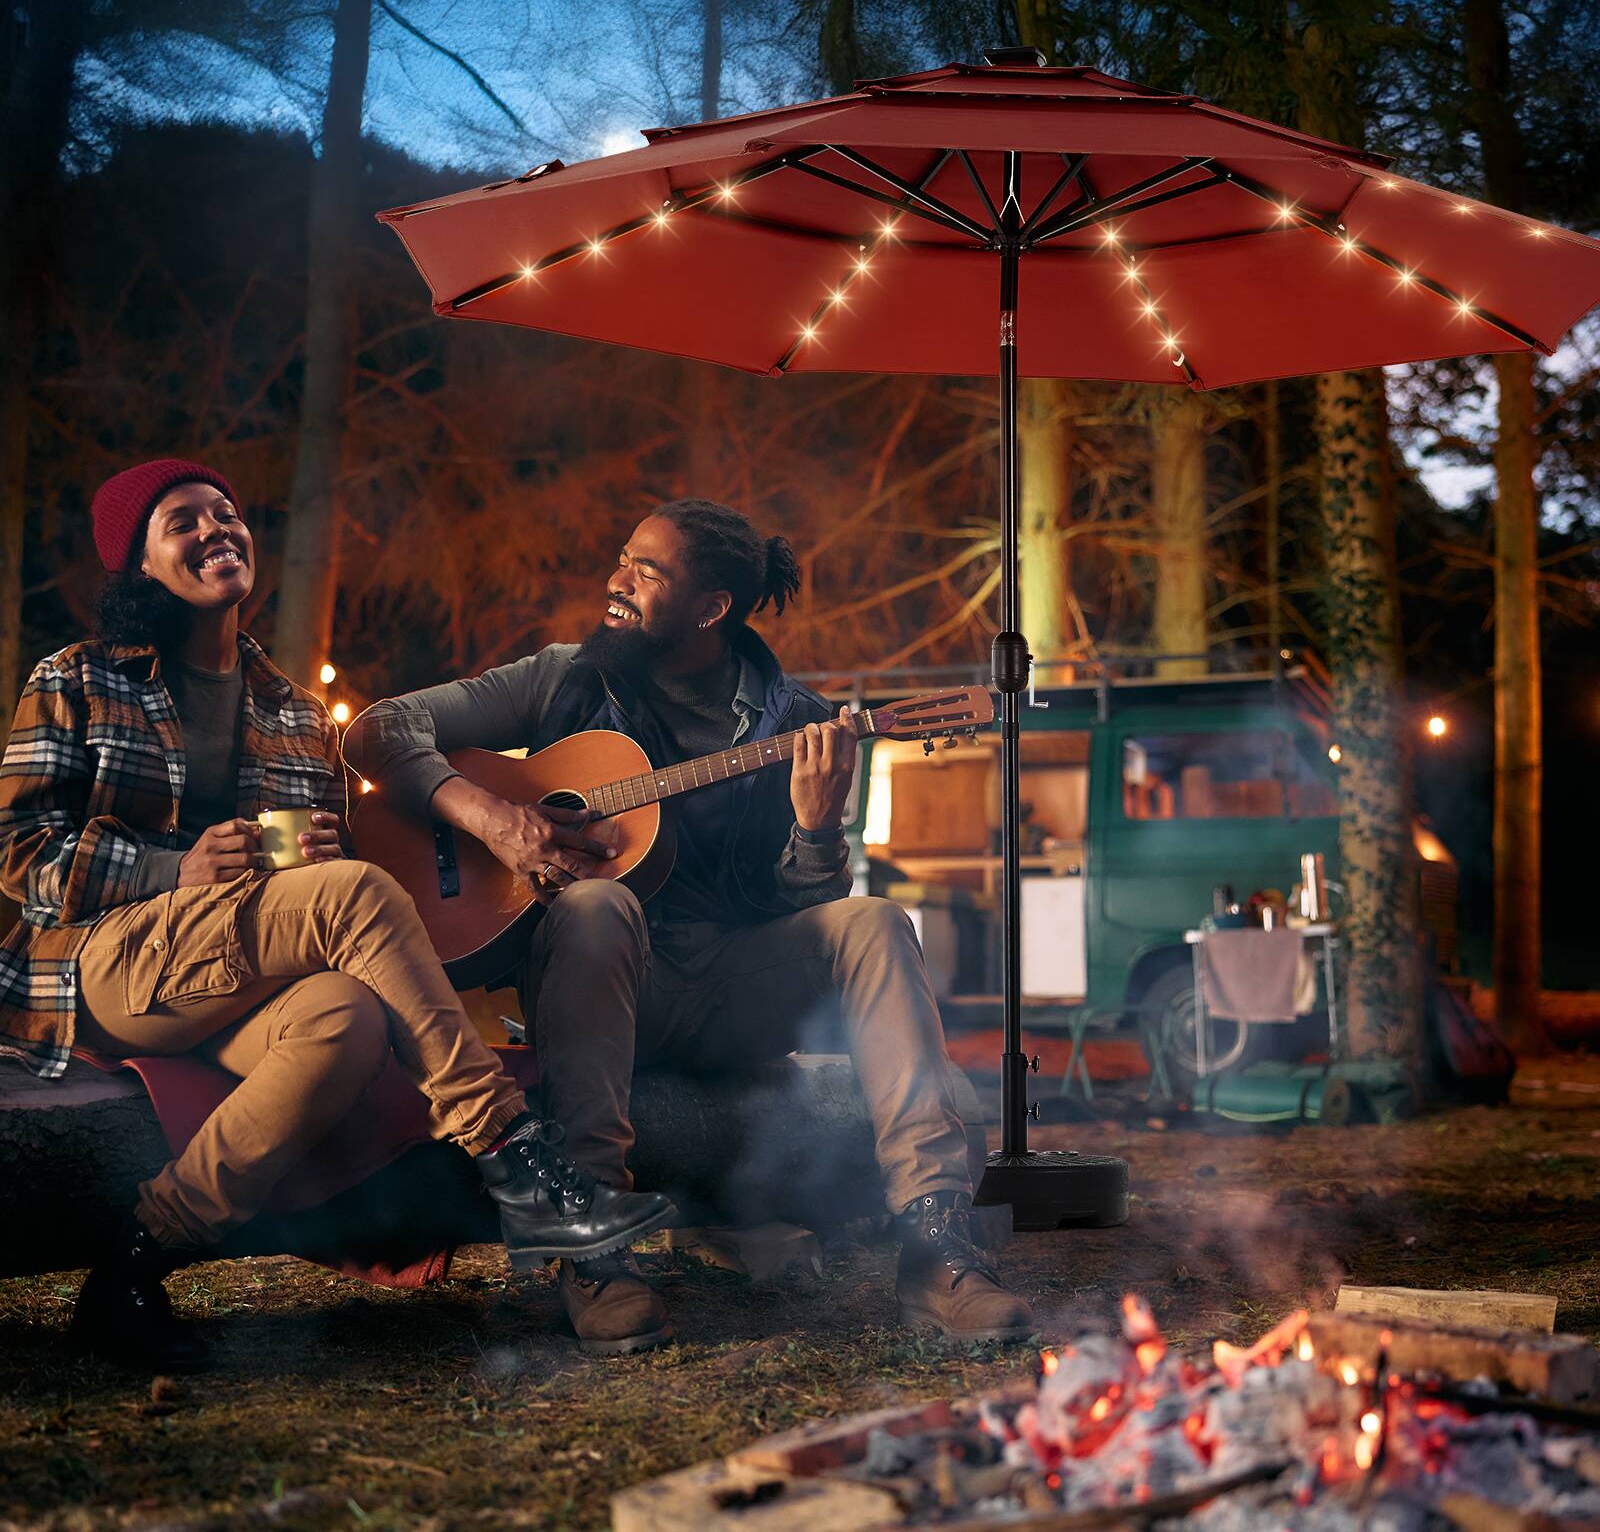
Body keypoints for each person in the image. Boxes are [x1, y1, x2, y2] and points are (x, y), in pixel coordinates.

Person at [0, 459, 673, 1372]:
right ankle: (512, 1150)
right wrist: (175, 867)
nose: (214, 530)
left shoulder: (296, 711)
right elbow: (20, 852)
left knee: (348, 1017)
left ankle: (134, 1261)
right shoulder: (76, 677)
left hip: (247, 973)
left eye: (225, 512)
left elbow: (340, 896)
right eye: (181, 523)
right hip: (110, 963)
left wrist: (328, 866)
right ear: (141, 567)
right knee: (349, 903)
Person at [345, 499, 1034, 1356]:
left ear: (710, 609)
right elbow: (381, 729)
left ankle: (936, 1248)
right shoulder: (566, 678)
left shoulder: (798, 721)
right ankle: (592, 1248)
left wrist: (819, 830)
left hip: (732, 988)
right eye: (622, 559)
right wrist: (489, 817)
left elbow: (801, 911)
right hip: (602, 988)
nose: (615, 582)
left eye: (646, 571)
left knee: (874, 922)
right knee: (599, 902)